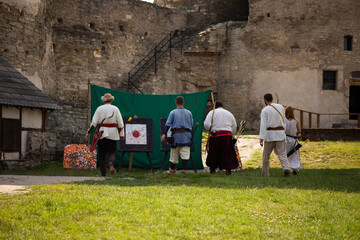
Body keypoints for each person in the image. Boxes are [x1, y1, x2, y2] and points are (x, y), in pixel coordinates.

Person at [85, 93, 124, 176]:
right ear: (111, 100)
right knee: (111, 151)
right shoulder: (115, 109)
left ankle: (103, 173)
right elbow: (120, 124)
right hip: (113, 133)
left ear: (104, 100)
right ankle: (110, 162)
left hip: (101, 133)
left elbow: (94, 123)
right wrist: (121, 135)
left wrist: (88, 133)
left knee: (102, 153)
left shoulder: (99, 109)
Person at [259, 93, 291, 177]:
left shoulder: (265, 110)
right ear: (272, 99)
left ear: (265, 100)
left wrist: (261, 138)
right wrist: (284, 131)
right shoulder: (280, 107)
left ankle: (265, 173)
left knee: (266, 156)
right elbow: (284, 120)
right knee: (282, 154)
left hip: (269, 135)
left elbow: (263, 125)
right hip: (280, 134)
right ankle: (286, 168)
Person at [204, 101, 238, 175]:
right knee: (227, 154)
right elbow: (234, 126)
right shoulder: (229, 113)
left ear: (215, 106)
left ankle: (212, 169)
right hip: (227, 136)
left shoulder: (212, 113)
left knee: (214, 153)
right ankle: (228, 170)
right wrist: (232, 135)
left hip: (216, 136)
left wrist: (209, 128)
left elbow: (206, 124)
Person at [161, 96, 193, 175]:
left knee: (174, 154)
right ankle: (184, 170)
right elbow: (191, 125)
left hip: (176, 136)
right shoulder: (189, 113)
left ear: (176, 103)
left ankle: (172, 171)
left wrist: (164, 134)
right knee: (185, 153)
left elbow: (168, 124)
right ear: (183, 103)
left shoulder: (173, 112)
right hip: (186, 135)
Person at [285, 106, 303, 175]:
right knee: (294, 155)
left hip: (286, 140)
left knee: (287, 154)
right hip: (294, 140)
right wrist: (297, 133)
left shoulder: (284, 121)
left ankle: (290, 168)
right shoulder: (296, 121)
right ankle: (293, 168)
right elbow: (299, 131)